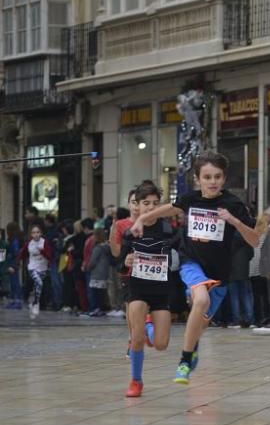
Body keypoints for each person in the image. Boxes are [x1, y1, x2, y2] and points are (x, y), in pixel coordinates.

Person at [131, 151, 259, 384]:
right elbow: (168, 209)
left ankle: (192, 347)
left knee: (199, 325)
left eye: (217, 177)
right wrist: (141, 219)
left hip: (220, 274)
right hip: (192, 263)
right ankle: (185, 360)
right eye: (207, 177)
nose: (212, 182)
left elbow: (255, 240)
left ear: (224, 178)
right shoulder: (190, 199)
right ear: (197, 179)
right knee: (200, 300)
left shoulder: (233, 204)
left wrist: (234, 221)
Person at [121, 183, 181, 397]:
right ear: (137, 205)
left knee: (161, 344)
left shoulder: (169, 230)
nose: (151, 207)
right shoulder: (131, 231)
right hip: (137, 288)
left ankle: (149, 327)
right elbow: (120, 260)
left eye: (156, 203)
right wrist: (126, 260)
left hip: (161, 291)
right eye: (146, 203)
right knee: (136, 339)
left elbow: (182, 254)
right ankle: (136, 381)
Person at [17, 224, 53, 318]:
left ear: (40, 233)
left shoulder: (45, 243)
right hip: (32, 267)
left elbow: (50, 256)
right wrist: (17, 262)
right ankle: (36, 303)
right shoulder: (29, 243)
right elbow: (22, 253)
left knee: (38, 285)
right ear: (31, 234)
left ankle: (35, 303)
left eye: (37, 232)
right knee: (39, 283)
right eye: (33, 232)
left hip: (43, 268)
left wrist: (42, 251)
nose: (36, 234)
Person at [86, 229, 113, 316]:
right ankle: (101, 308)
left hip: (96, 272)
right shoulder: (107, 247)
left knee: (94, 292)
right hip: (104, 272)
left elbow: (93, 261)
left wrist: (88, 267)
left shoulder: (97, 248)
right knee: (102, 292)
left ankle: (95, 308)